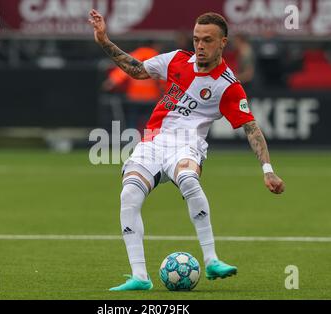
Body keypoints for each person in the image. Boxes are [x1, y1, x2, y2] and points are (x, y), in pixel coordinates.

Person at [89, 9, 285, 291]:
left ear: (223, 43)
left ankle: (212, 260)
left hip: (188, 144)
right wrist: (104, 40)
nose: (200, 45)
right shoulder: (176, 60)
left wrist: (268, 170)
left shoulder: (228, 86)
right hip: (153, 141)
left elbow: (251, 128)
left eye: (207, 40)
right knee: (129, 193)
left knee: (188, 179)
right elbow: (136, 69)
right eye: (196, 39)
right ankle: (140, 277)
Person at [103, 41, 164, 131]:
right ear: (153, 45)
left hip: (134, 97)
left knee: (133, 122)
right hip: (151, 97)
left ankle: (132, 140)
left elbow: (122, 72)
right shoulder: (156, 56)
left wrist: (111, 82)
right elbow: (163, 79)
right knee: (151, 122)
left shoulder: (135, 54)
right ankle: (150, 141)